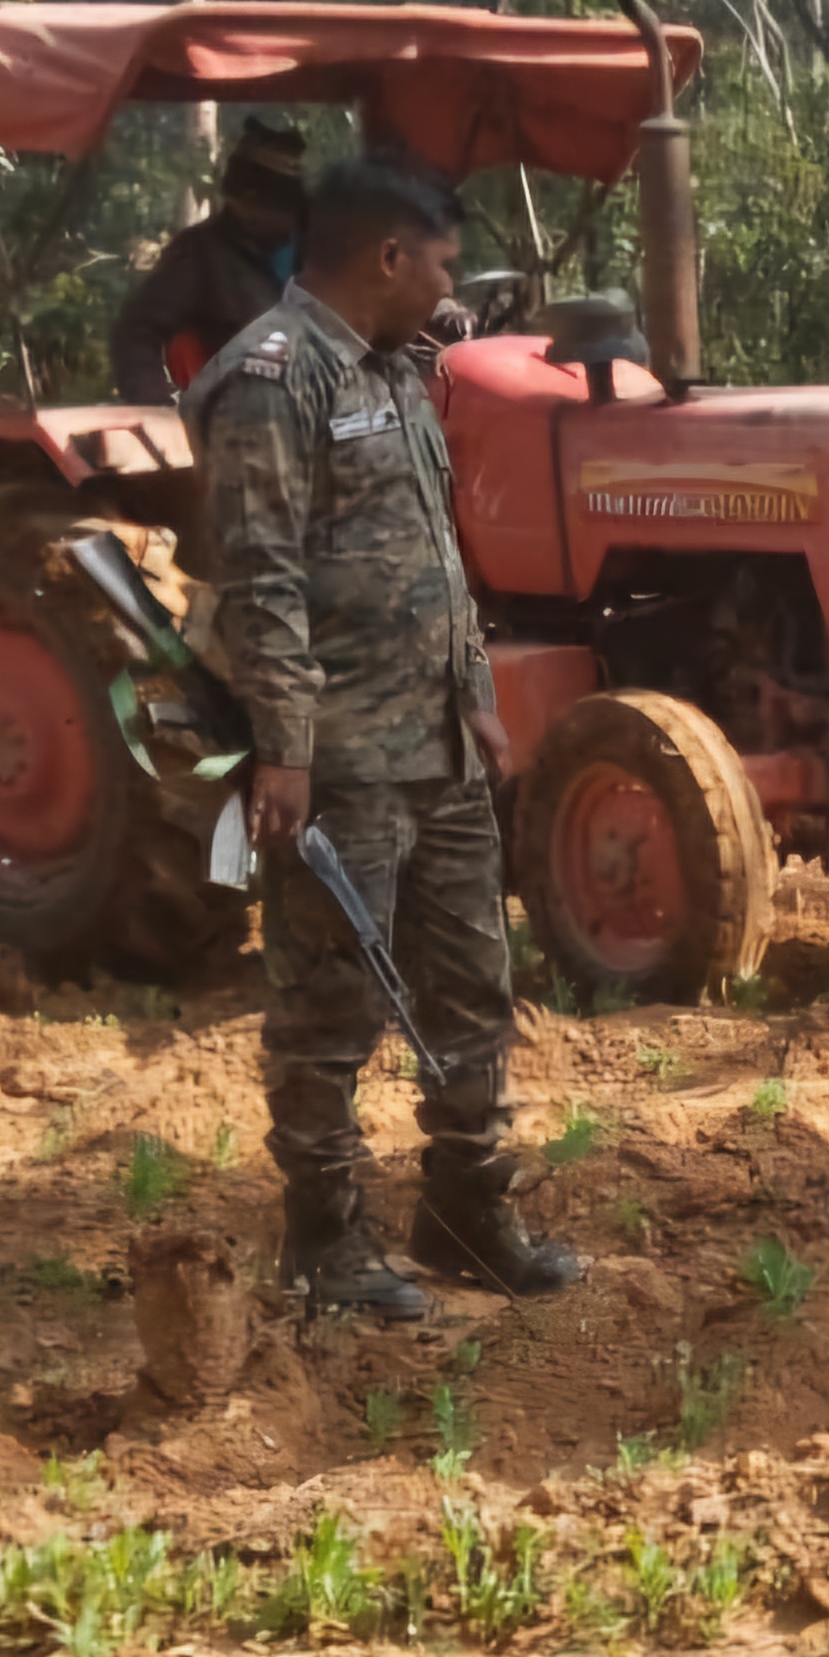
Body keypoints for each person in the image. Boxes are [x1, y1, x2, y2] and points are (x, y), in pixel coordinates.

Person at [183, 153, 582, 1324]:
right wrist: (287, 749)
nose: (456, 284)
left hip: (438, 749)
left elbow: (430, 552)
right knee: (331, 999)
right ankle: (325, 1239)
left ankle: (466, 1206)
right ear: (389, 258)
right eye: (445, 260)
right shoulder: (275, 376)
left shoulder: (396, 369)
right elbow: (261, 578)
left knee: (472, 986)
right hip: (343, 755)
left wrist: (475, 696)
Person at [110, 122, 308, 404]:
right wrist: (156, 409)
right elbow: (135, 333)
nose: (287, 224)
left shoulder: (324, 247)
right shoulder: (200, 253)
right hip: (240, 417)